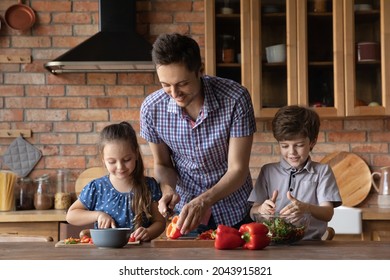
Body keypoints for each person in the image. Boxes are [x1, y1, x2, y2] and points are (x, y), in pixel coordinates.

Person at [140, 33, 256, 235]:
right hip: (186, 216)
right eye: (165, 85)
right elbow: (163, 164)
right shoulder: (151, 109)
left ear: (199, 71)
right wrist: (168, 189)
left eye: (182, 83)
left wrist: (203, 200)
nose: (175, 93)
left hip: (235, 211)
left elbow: (238, 169)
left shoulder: (236, 98)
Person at [248, 105, 342, 240]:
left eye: (299, 145)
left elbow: (328, 213)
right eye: (284, 146)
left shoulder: (322, 172)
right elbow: (253, 210)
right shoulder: (267, 171)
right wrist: (261, 209)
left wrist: (306, 208)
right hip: (273, 245)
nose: (292, 152)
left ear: (312, 142)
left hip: (310, 246)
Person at [66, 122, 166, 241]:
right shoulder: (96, 187)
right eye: (112, 162)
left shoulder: (149, 185)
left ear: (136, 154)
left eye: (126, 159)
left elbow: (160, 222)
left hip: (140, 255)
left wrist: (148, 232)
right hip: (105, 255)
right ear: (103, 160)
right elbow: (71, 215)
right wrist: (98, 215)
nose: (120, 167)